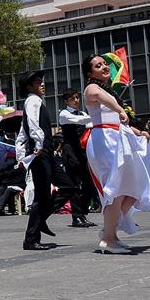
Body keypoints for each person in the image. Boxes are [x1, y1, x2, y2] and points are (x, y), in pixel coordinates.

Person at [82, 55, 150, 254]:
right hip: (103, 142)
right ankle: (108, 238)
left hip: (118, 138)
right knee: (116, 190)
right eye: (98, 65)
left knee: (131, 188)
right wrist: (119, 108)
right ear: (90, 73)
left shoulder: (109, 91)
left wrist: (138, 132)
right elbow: (104, 99)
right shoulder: (91, 89)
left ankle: (110, 231)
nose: (104, 67)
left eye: (105, 64)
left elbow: (119, 120)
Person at [15, 70, 58, 251]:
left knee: (68, 185)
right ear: (29, 87)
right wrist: (39, 144)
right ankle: (31, 239)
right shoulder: (32, 100)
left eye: (42, 81)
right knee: (41, 196)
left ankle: (40, 222)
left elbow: (22, 132)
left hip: (46, 152)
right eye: (37, 82)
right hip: (40, 153)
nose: (42, 84)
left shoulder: (36, 101)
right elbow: (32, 123)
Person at [57, 88, 97, 227]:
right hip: (70, 151)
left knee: (89, 182)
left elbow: (90, 125)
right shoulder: (64, 113)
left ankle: (83, 212)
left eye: (77, 97)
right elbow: (79, 121)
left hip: (82, 151)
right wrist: (96, 114)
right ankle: (76, 216)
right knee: (74, 184)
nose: (76, 100)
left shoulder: (83, 113)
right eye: (73, 98)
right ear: (66, 101)